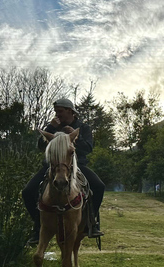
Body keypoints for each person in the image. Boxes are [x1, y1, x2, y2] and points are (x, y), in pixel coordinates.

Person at [22, 98, 106, 244]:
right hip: (52, 167)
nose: (57, 115)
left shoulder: (83, 128)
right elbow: (41, 146)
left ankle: (91, 223)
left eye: (60, 111)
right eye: (56, 112)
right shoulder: (53, 126)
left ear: (70, 111)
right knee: (28, 192)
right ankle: (38, 227)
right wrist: (49, 128)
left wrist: (75, 135)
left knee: (98, 186)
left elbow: (88, 148)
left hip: (77, 166)